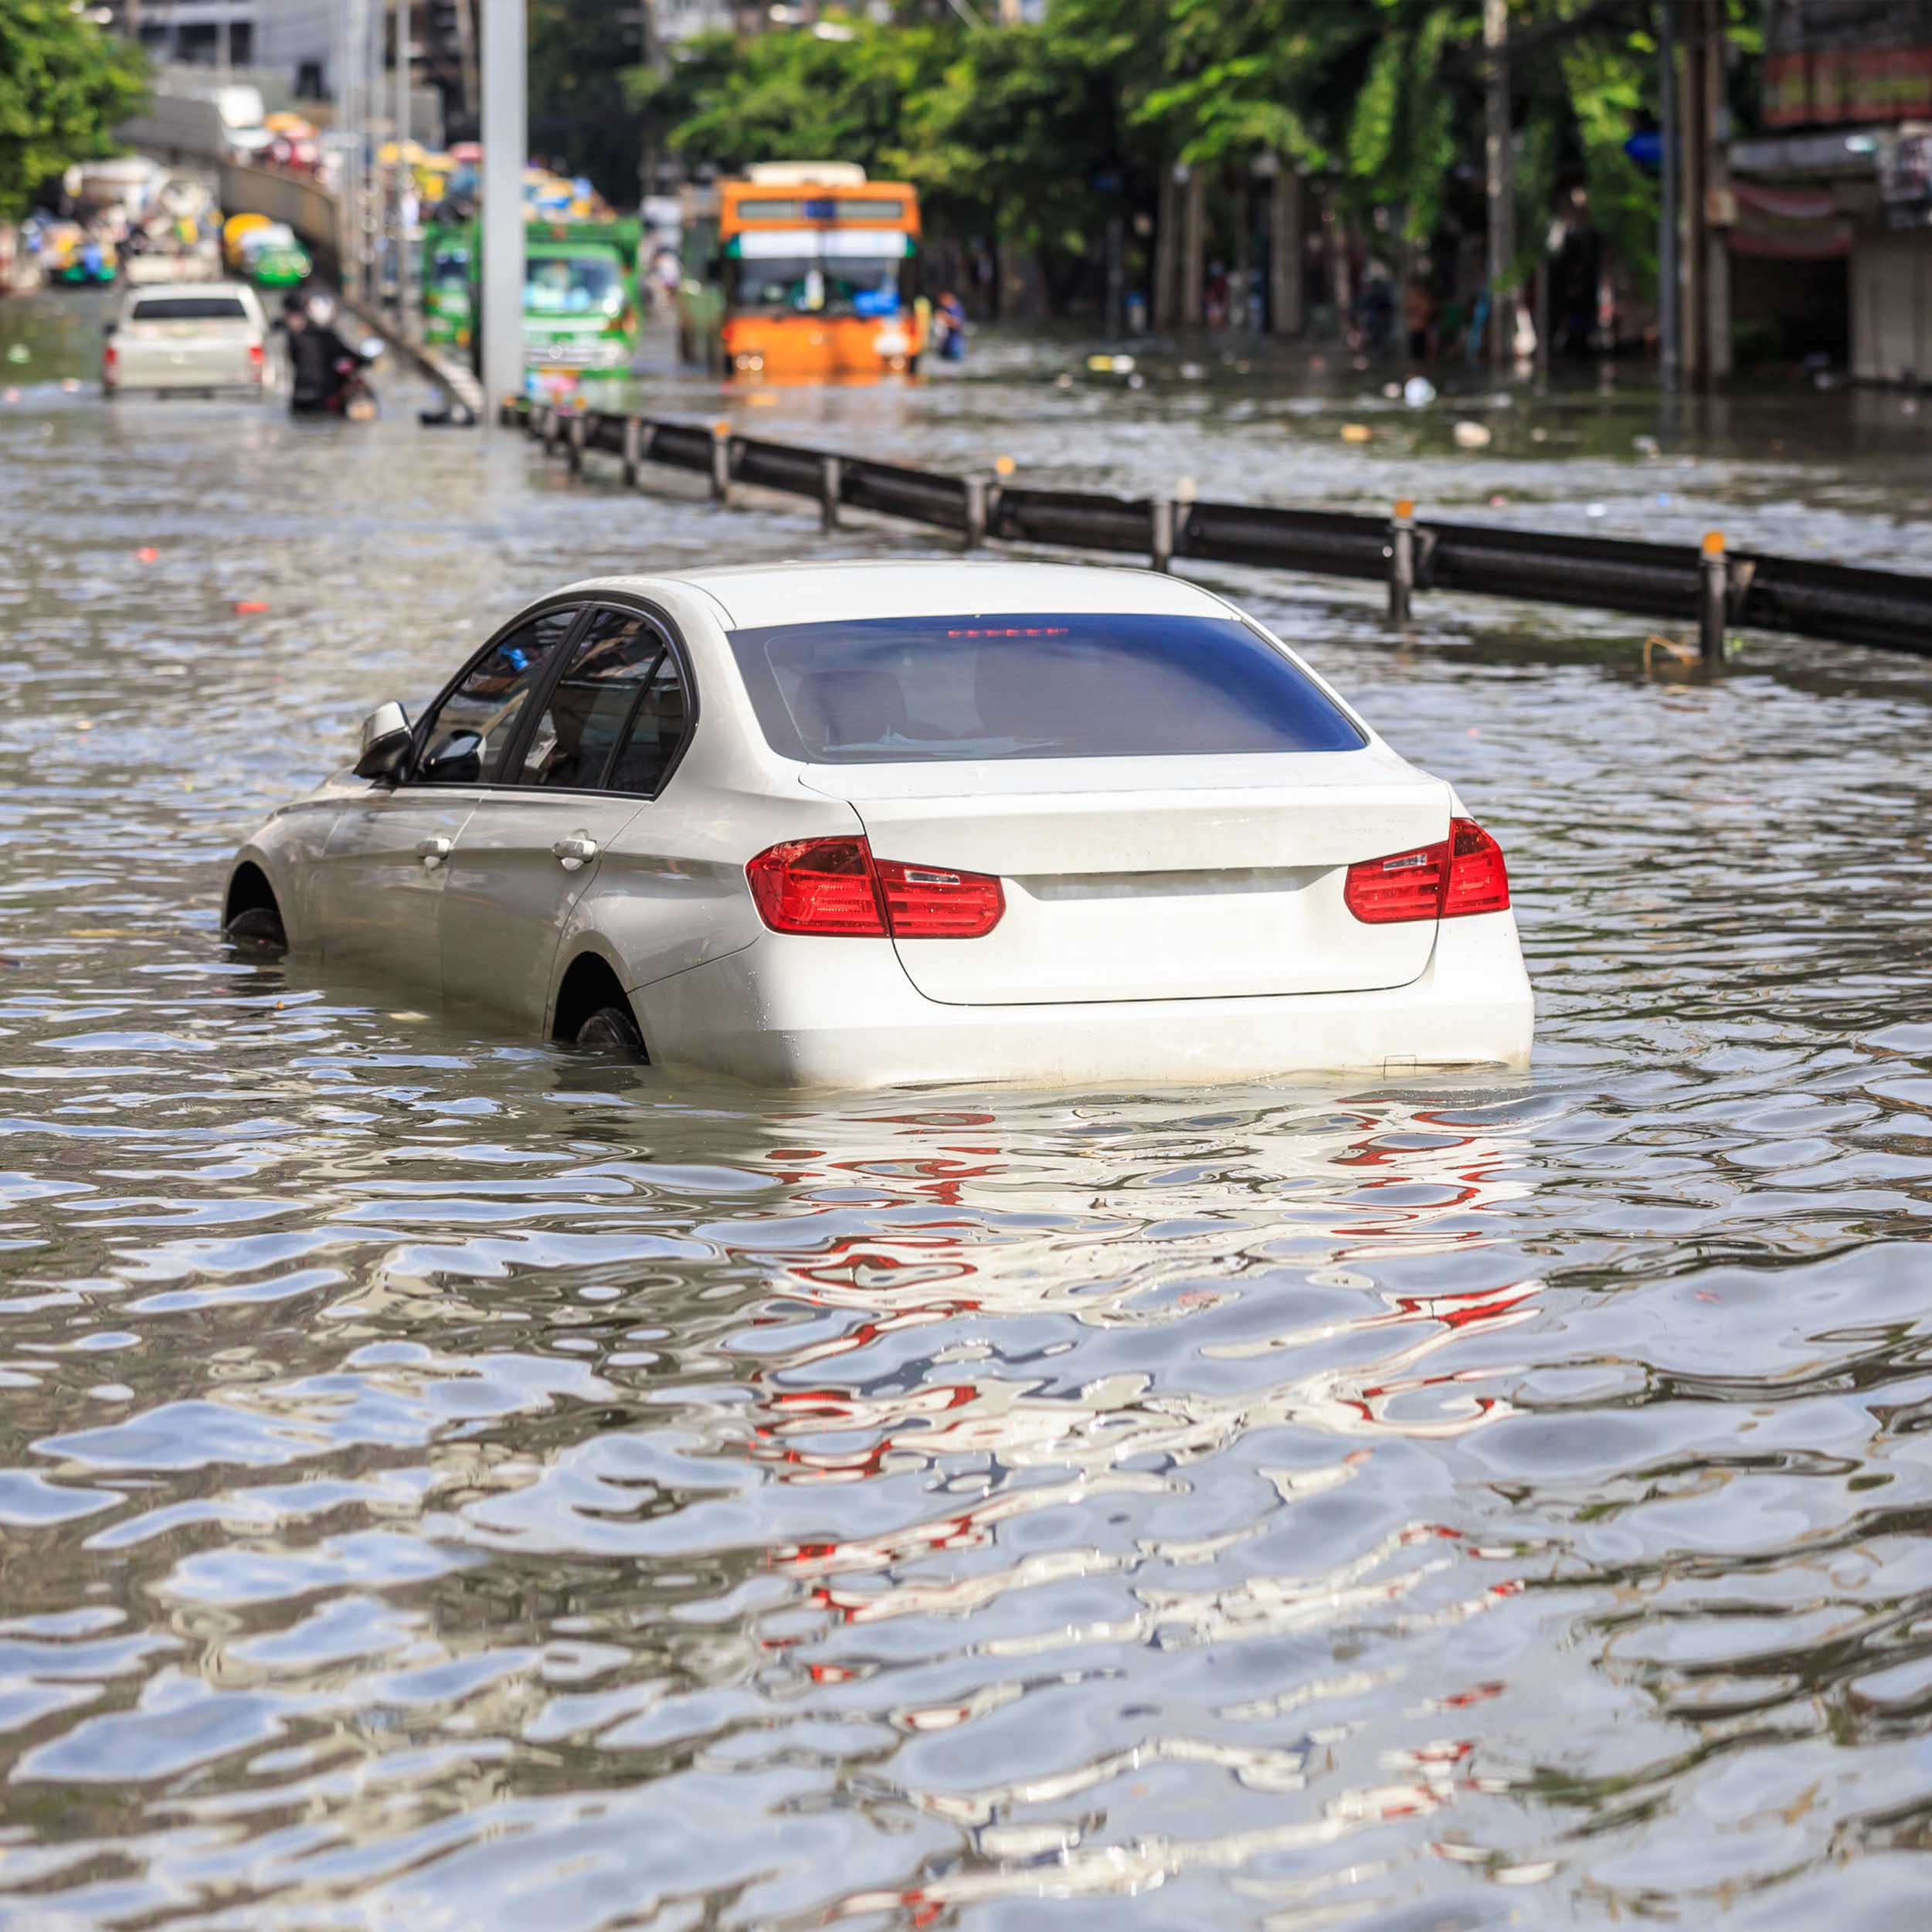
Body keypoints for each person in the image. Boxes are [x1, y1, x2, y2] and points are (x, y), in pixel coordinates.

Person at [284, 297, 365, 414]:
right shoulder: (329, 338)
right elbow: (352, 356)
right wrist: (366, 361)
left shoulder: (295, 337)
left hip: (299, 396)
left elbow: (294, 359)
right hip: (323, 396)